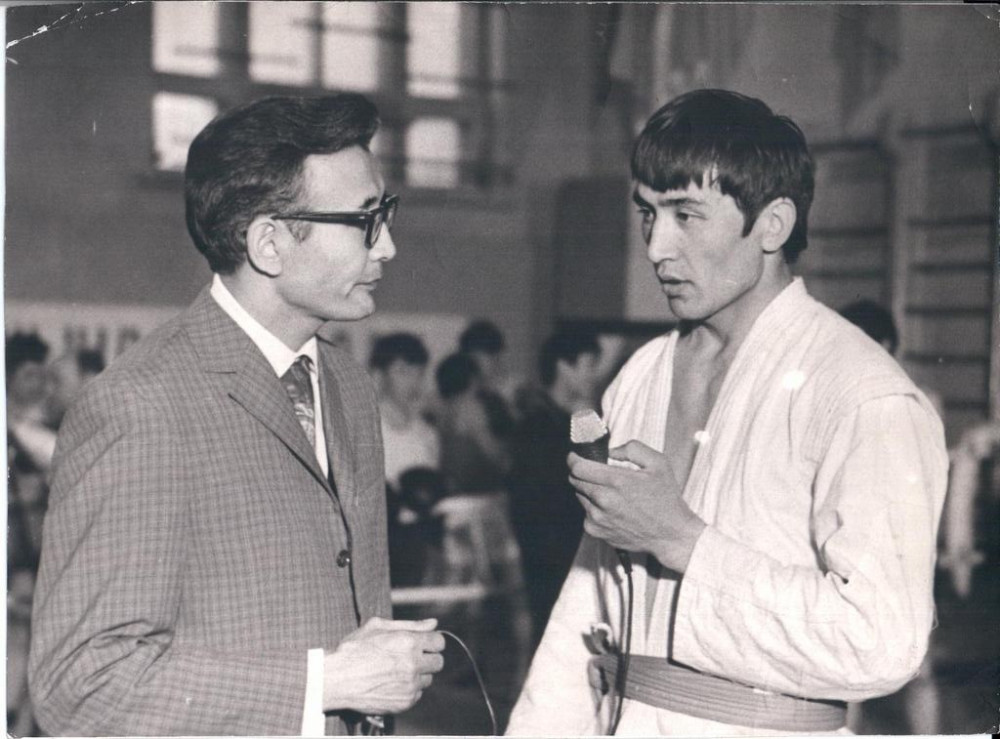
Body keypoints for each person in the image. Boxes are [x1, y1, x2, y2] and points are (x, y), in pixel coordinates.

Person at [506, 89, 949, 736]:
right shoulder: (640, 375)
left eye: (686, 215)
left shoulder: (860, 393)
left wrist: (685, 541)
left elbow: (882, 640)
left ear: (772, 224)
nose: (656, 247)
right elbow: (590, 596)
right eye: (647, 213)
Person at [28, 95, 445, 736]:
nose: (387, 245)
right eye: (365, 220)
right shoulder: (141, 404)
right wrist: (323, 683)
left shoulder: (349, 387)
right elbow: (82, 685)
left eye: (384, 212)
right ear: (269, 244)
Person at [507, 328, 602, 645]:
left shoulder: (563, 420)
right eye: (589, 364)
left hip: (566, 547)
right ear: (564, 366)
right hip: (551, 552)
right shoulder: (537, 425)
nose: (594, 375)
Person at [369, 331, 440, 492]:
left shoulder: (427, 433)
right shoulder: (364, 431)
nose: (413, 381)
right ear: (379, 375)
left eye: (419, 373)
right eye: (403, 372)